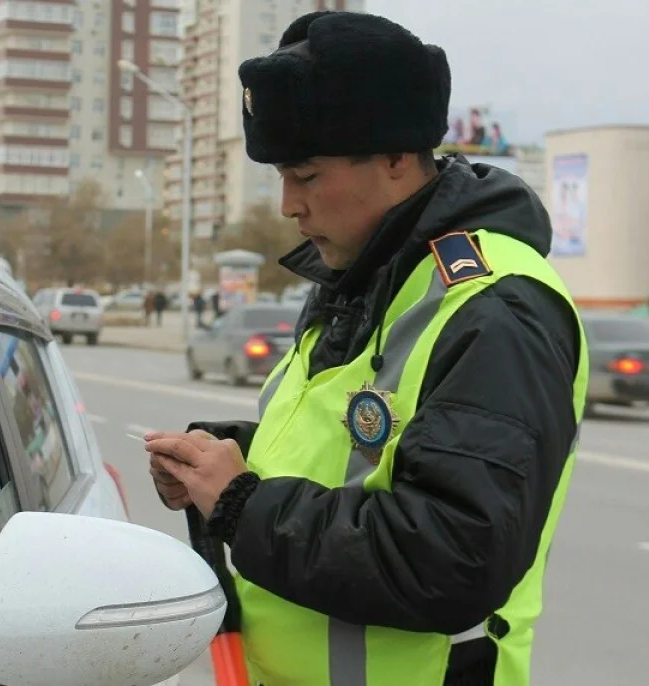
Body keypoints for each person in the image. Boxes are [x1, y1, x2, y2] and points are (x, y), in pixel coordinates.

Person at [144, 10, 588, 686]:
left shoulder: (494, 307)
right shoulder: (364, 281)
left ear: (395, 157)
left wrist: (242, 503)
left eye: (308, 175)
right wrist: (222, 460)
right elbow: (356, 457)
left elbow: (450, 557)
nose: (289, 205)